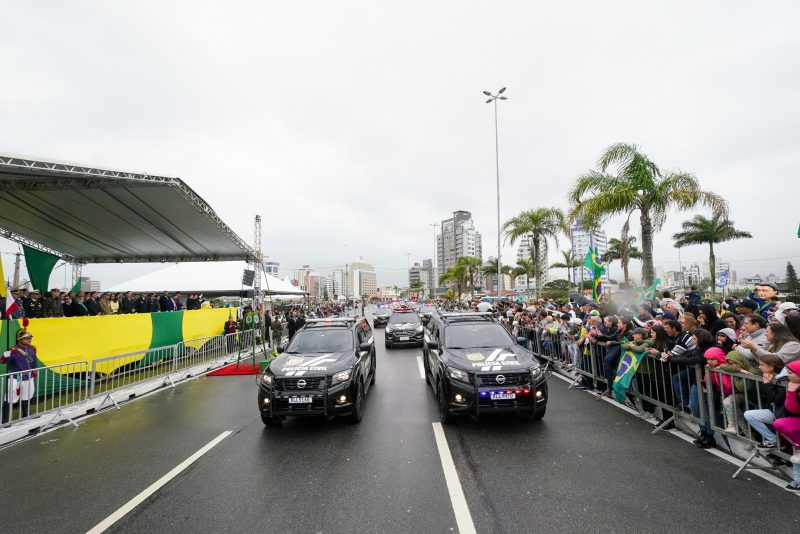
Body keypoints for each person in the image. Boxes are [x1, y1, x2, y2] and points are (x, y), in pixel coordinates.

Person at [743, 354, 786, 449]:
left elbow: (777, 400)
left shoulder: (784, 379)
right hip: (776, 412)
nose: (759, 367)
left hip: (785, 415)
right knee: (749, 414)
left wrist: (767, 384)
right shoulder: (771, 376)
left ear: (771, 366)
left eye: (762, 365)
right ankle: (773, 440)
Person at [773, 360, 800, 491]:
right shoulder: (793, 385)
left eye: (790, 373)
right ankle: (798, 481)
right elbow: (792, 409)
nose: (787, 375)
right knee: (780, 423)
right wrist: (791, 390)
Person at [1, 330, 38, 423]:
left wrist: (34, 370)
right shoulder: (13, 350)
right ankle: (5, 420)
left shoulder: (31, 349)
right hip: (15, 377)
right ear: (20, 339)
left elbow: (34, 361)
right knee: (11, 396)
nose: (29, 340)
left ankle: (26, 414)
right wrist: (6, 355)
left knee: (27, 394)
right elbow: (2, 361)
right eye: (26, 338)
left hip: (28, 377)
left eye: (30, 338)